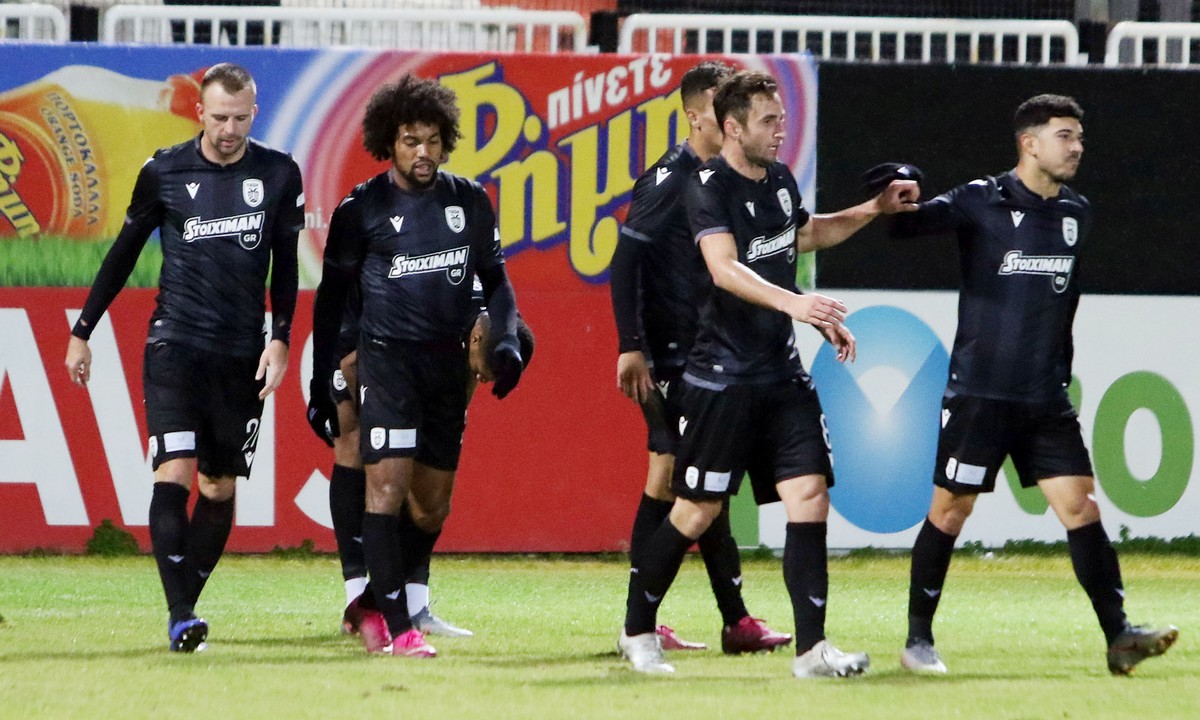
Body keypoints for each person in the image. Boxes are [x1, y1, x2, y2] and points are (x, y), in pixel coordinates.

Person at [618, 69, 918, 676]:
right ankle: (637, 630)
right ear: (732, 128)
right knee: (696, 511)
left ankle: (812, 650)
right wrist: (797, 305)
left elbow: (803, 234)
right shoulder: (703, 186)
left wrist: (873, 208)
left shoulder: (779, 180)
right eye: (768, 121)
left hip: (781, 375)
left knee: (809, 497)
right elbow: (724, 266)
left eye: (782, 118)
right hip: (721, 377)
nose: (781, 130)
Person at [883, 94, 1178, 676]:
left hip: (1044, 398)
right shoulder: (981, 198)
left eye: (1079, 137)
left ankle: (1120, 636)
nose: (1077, 147)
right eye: (1065, 136)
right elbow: (906, 226)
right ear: (1029, 143)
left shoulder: (1077, 213)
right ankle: (918, 640)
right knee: (950, 511)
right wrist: (897, 195)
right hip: (980, 394)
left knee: (1081, 507)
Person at [64, 62, 303, 653]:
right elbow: (123, 254)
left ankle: (184, 610)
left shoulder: (279, 173)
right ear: (199, 112)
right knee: (174, 471)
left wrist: (281, 338)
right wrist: (83, 329)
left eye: (240, 118)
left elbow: (287, 266)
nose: (229, 129)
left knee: (219, 489)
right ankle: (180, 615)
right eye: (219, 117)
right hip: (174, 345)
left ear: (254, 111)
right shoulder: (164, 171)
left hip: (242, 354)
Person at [306, 74, 524, 659]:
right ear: (389, 143)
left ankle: (380, 601)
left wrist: (507, 342)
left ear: (446, 141)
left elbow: (497, 281)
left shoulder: (470, 200)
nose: (422, 152)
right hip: (388, 364)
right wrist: (321, 377)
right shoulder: (361, 208)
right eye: (410, 141)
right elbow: (331, 299)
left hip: (447, 369)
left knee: (430, 507)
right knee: (385, 487)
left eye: (432, 140)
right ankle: (397, 626)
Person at [610, 60, 791, 655]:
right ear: (696, 117)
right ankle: (651, 621)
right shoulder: (672, 178)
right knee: (676, 476)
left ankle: (723, 619)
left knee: (696, 482)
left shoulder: (731, 180)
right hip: (669, 355)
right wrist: (631, 345)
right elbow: (625, 261)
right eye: (722, 106)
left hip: (708, 353)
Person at [329, 303, 535, 640]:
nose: (484, 380)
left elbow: (467, 379)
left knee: (430, 500)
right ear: (475, 338)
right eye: (484, 371)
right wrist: (377, 421)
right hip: (358, 339)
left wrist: (448, 428)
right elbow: (352, 366)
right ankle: (357, 600)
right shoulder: (433, 319)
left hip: (419, 354)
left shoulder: (494, 326)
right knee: (356, 448)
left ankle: (408, 607)